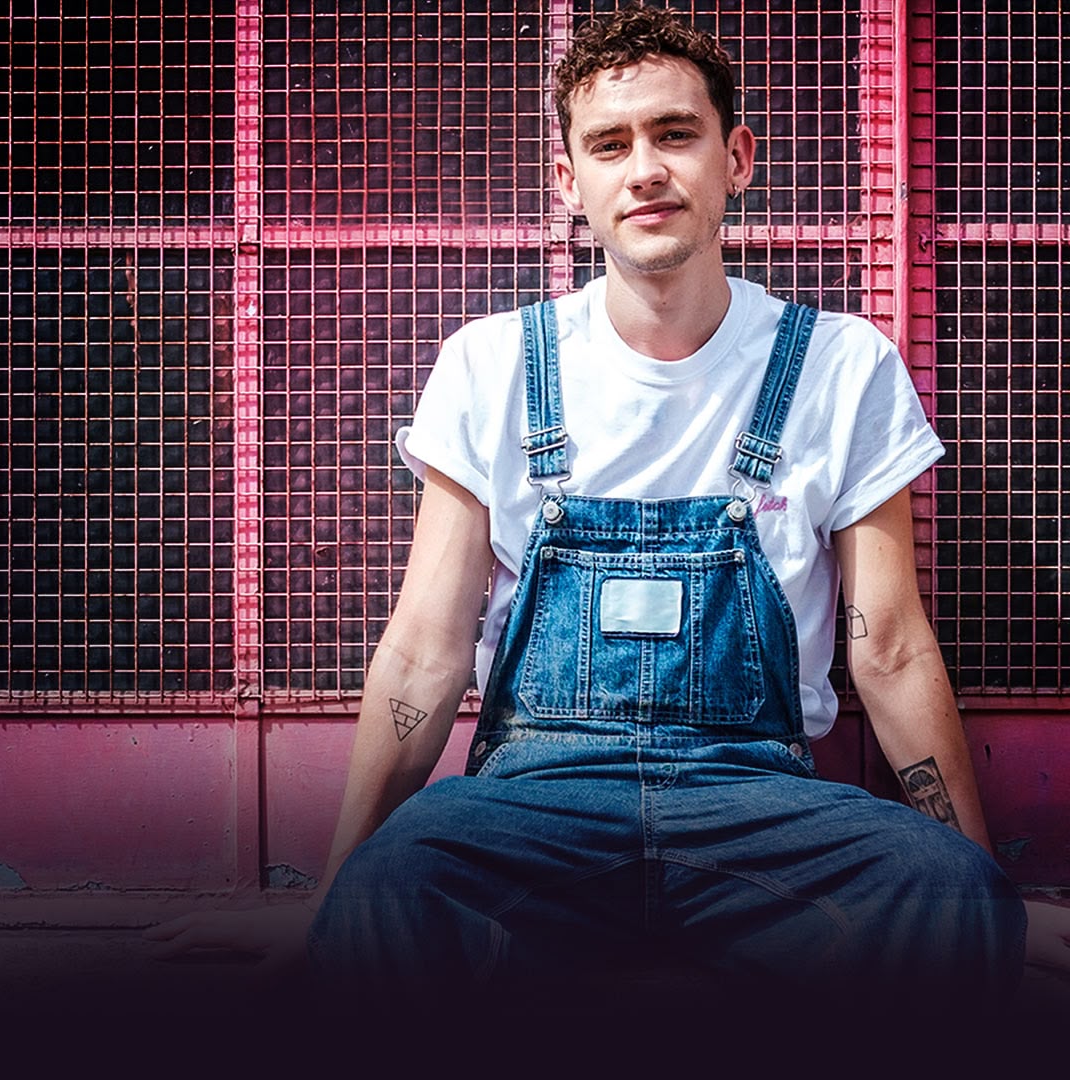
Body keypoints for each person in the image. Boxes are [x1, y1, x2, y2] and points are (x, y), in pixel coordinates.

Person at [150, 5, 1070, 1014]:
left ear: (736, 157)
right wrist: (336, 903)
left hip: (756, 803)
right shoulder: (492, 365)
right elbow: (424, 648)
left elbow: (887, 648)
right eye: (609, 144)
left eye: (675, 134)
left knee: (946, 902)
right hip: (531, 805)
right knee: (392, 895)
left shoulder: (841, 367)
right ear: (569, 180)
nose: (645, 170)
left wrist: (984, 902)